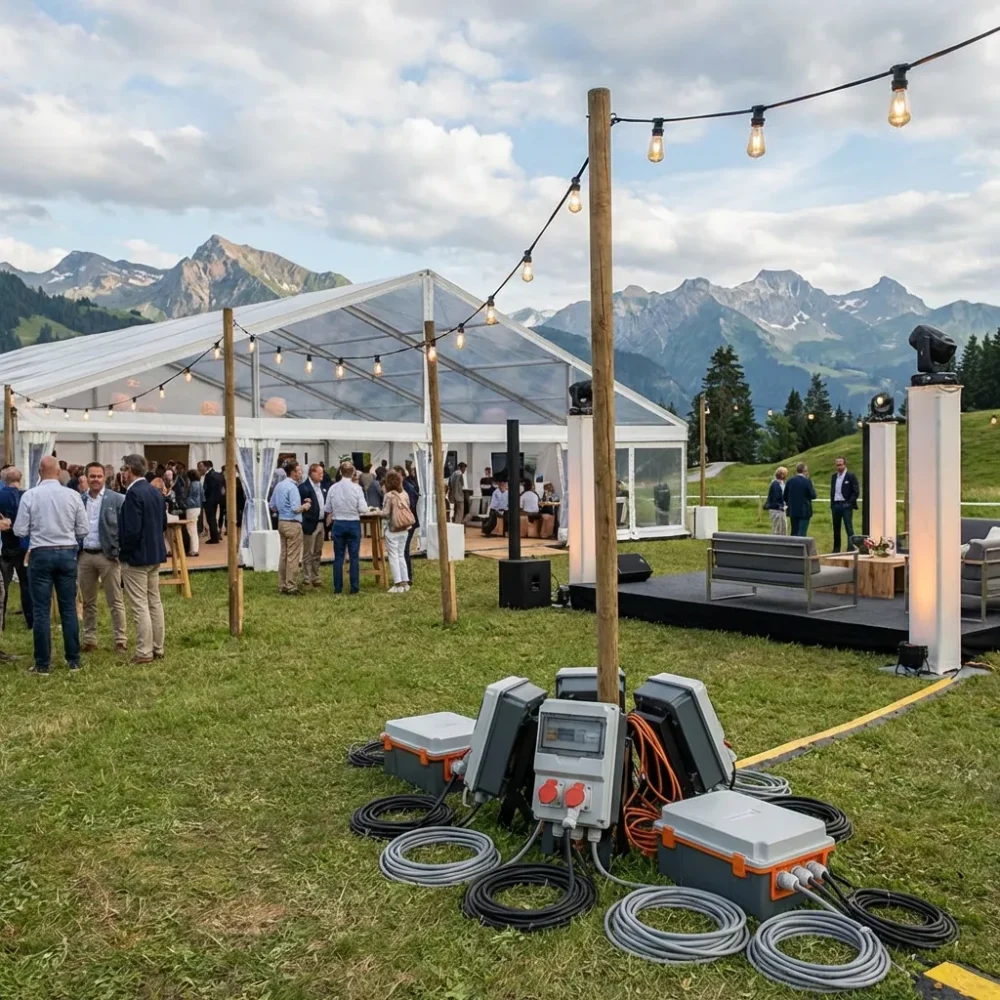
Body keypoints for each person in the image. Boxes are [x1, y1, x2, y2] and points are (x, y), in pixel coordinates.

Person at [14, 455, 89, 674]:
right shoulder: (73, 495)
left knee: (41, 610)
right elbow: (83, 529)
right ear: (58, 472)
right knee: (68, 608)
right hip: (67, 552)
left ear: (39, 472)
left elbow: (19, 530)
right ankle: (73, 660)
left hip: (40, 552)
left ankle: (42, 663)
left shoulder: (30, 496)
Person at [118, 454, 168, 664]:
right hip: (154, 554)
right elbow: (163, 523)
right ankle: (158, 647)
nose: (122, 473)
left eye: (123, 469)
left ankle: (144, 651)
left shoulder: (133, 494)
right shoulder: (154, 491)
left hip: (137, 557)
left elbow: (131, 530)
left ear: (129, 470)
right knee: (154, 601)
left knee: (140, 605)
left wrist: (124, 554)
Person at [79, 462, 127, 653]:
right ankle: (90, 639)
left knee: (115, 600)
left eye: (99, 476)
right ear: (86, 478)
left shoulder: (117, 499)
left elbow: (124, 527)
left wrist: (119, 550)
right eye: (92, 476)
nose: (96, 479)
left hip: (108, 556)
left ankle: (120, 640)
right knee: (88, 601)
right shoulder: (79, 500)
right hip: (85, 556)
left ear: (105, 477)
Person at [324, 461, 368, 595]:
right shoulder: (357, 488)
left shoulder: (333, 488)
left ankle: (338, 588)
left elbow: (327, 508)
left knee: (338, 557)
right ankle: (354, 588)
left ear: (340, 472)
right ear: (353, 473)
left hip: (338, 523)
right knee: (354, 557)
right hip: (353, 522)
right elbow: (363, 508)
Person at [270, 461, 310, 595]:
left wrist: (282, 510)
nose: (301, 473)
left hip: (281, 522)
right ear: (293, 473)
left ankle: (282, 584)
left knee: (284, 555)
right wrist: (305, 506)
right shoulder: (293, 488)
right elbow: (295, 508)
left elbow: (272, 505)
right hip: (292, 523)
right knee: (293, 556)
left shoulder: (279, 485)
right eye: (299, 471)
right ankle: (291, 585)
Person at [0, 466, 32, 630]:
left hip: (6, 546)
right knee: (26, 584)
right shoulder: (28, 496)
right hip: (24, 546)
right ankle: (31, 620)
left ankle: (1, 622)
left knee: (2, 587)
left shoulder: (1, 495)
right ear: (20, 479)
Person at [381, 470, 414, 593]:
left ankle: (397, 583)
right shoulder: (404, 494)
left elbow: (386, 513)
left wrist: (376, 512)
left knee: (393, 556)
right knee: (401, 555)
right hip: (405, 528)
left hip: (393, 529)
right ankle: (405, 582)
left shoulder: (389, 496)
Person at [298, 463, 328, 588]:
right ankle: (306, 577)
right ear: (312, 473)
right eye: (319, 473)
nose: (322, 475)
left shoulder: (323, 487)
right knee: (308, 552)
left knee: (318, 551)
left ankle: (316, 576)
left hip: (321, 523)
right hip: (310, 524)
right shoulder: (304, 488)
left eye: (322, 473)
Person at [830, 457, 860, 554]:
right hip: (836, 504)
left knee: (848, 527)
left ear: (844, 464)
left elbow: (856, 491)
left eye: (840, 464)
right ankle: (836, 549)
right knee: (836, 527)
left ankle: (851, 548)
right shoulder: (834, 477)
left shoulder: (850, 476)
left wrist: (850, 503)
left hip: (845, 504)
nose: (838, 466)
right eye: (837, 465)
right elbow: (832, 491)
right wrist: (832, 504)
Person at [397, 465, 419, 587]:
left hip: (408, 523)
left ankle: (408, 577)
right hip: (402, 523)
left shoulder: (408, 488)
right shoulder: (399, 488)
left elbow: (412, 506)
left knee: (404, 549)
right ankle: (403, 576)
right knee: (401, 549)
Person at [784, 462, 816, 537]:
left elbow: (785, 496)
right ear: (804, 471)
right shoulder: (807, 482)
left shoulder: (790, 481)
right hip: (804, 511)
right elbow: (813, 495)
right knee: (802, 532)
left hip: (793, 511)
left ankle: (792, 547)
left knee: (794, 531)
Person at [200, 460, 224, 543]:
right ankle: (216, 536)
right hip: (216, 500)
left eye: (201, 466)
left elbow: (206, 489)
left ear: (206, 466)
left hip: (209, 500)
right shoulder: (218, 475)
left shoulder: (208, 476)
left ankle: (214, 538)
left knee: (211, 519)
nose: (200, 468)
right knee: (213, 519)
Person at [184, 469, 204, 556]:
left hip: (191, 508)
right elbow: (202, 496)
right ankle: (194, 549)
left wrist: (185, 502)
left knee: (191, 529)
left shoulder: (192, 484)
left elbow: (190, 497)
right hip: (198, 507)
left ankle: (193, 550)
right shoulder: (199, 483)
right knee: (194, 529)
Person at [765, 467, 788, 535]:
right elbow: (776, 497)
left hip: (779, 509)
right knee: (778, 529)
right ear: (782, 475)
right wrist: (781, 506)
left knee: (782, 529)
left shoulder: (781, 483)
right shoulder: (775, 484)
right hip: (777, 509)